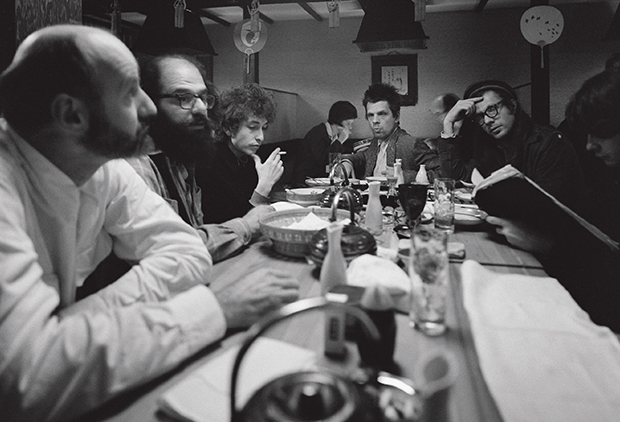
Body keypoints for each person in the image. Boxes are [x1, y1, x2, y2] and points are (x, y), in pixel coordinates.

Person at [0, 24, 298, 422]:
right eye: (128, 93)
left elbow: (189, 253)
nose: (150, 108)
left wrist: (69, 328)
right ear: (71, 114)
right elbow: (28, 382)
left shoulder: (100, 166)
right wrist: (211, 310)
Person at [485, 69, 620, 333]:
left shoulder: (548, 144)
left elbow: (608, 286)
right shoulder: (612, 178)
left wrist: (547, 245)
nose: (590, 147)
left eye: (601, 132)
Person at [127, 54, 273, 263]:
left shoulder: (180, 159)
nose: (201, 108)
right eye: (183, 98)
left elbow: (195, 230)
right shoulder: (135, 166)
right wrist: (247, 225)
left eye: (203, 98)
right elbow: (167, 253)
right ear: (147, 104)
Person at [438, 79, 587, 210]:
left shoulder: (549, 143)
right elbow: (454, 181)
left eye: (492, 110)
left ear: (512, 106)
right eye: (480, 117)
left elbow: (551, 208)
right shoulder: (491, 145)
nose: (488, 121)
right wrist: (449, 123)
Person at [198, 83, 283, 223]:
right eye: (252, 127)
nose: (261, 137)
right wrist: (264, 186)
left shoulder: (247, 159)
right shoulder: (210, 164)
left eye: (264, 128)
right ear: (229, 128)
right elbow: (232, 226)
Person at [340, 83, 441, 183]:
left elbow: (441, 173)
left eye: (382, 114)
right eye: (371, 115)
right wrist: (347, 161)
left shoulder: (410, 144)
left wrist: (402, 175)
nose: (375, 121)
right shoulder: (376, 142)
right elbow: (364, 156)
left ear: (396, 117)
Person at [293, 100, 358, 183]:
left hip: (320, 180)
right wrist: (340, 141)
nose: (351, 127)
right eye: (348, 123)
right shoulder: (317, 133)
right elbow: (322, 159)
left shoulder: (334, 136)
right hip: (305, 181)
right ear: (338, 120)